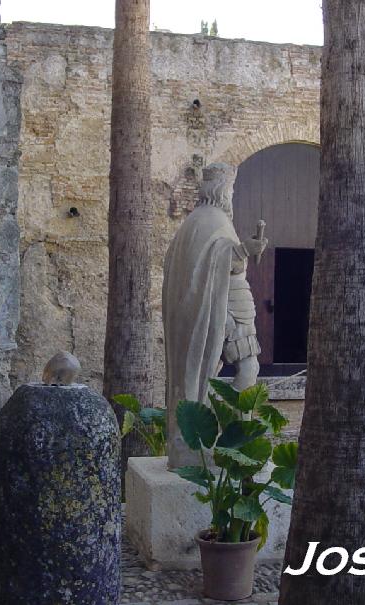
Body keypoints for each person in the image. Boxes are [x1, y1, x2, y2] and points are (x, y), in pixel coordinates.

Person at [162, 162, 268, 467]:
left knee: (240, 371)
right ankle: (229, 434)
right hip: (221, 311)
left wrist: (244, 250)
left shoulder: (209, 220)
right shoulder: (207, 221)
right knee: (247, 371)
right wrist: (243, 251)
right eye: (231, 189)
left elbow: (212, 261)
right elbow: (212, 261)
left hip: (230, 306)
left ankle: (230, 437)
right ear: (221, 190)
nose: (232, 194)